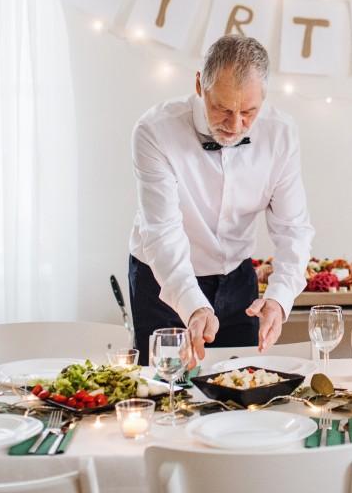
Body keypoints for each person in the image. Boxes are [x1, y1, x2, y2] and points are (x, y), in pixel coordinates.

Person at [128, 35, 314, 365]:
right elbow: (162, 233)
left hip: (237, 279)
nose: (235, 125)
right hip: (163, 281)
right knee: (162, 391)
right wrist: (193, 305)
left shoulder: (281, 134)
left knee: (238, 388)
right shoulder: (156, 131)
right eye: (222, 108)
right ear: (200, 85)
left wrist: (279, 298)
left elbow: (293, 229)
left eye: (249, 112)